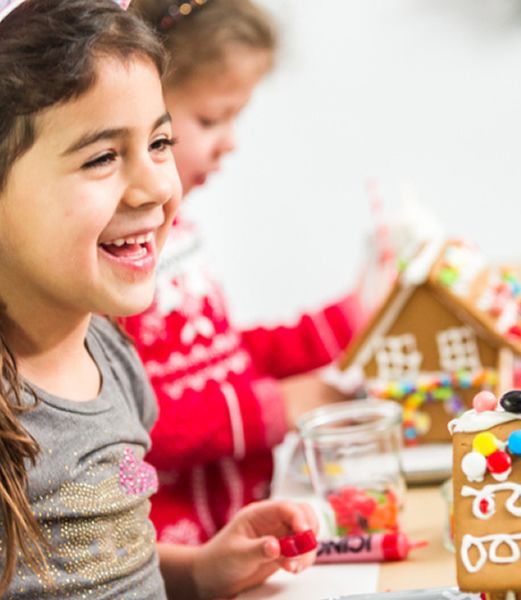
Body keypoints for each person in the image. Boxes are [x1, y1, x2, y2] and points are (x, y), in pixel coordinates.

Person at [0, 1, 317, 597]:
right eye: (102, 156)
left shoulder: (114, 360)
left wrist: (199, 570)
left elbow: (115, 543)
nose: (154, 187)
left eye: (161, 142)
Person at [123, 0, 362, 545]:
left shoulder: (181, 232)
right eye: (211, 119)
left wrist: (338, 326)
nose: (230, 141)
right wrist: (277, 408)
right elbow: (137, 420)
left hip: (236, 527)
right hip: (177, 551)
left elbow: (221, 358)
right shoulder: (117, 259)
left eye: (236, 117)